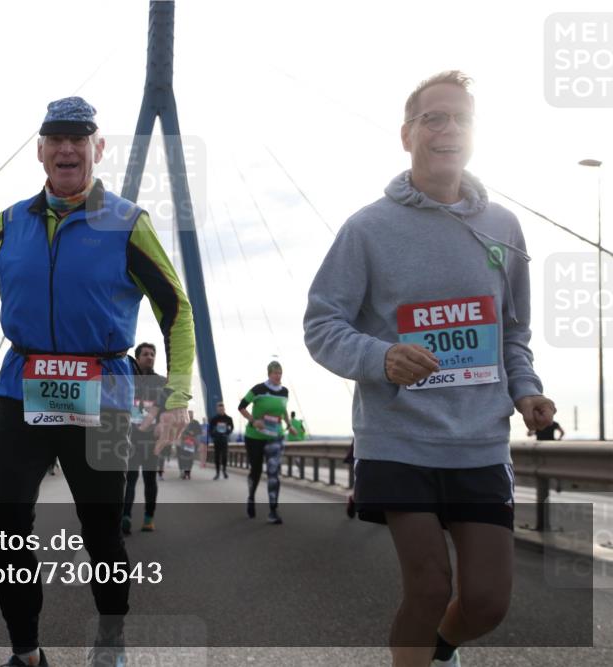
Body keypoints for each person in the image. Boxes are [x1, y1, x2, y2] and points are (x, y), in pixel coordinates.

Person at [304, 71, 556, 667]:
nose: (447, 130)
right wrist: (382, 356)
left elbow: (511, 334)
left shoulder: (503, 228)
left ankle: (440, 650)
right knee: (428, 587)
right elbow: (322, 325)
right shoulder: (367, 228)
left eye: (460, 119)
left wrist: (527, 393)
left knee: (488, 603)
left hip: (480, 442)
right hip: (399, 438)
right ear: (406, 134)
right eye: (432, 118)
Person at [0, 96, 195, 667]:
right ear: (40, 151)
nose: (66, 148)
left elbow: (176, 310)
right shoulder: (10, 221)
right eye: (55, 138)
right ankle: (26, 650)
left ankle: (111, 641)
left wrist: (178, 396)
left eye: (79, 137)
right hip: (22, 384)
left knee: (102, 532)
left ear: (98, 148)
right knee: (7, 524)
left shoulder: (127, 223)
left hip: (106, 388)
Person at [122, 342, 167, 535]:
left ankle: (149, 518)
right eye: (146, 354)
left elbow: (168, 409)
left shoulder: (161, 382)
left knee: (150, 479)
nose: (150, 357)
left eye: (153, 354)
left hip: (151, 439)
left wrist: (162, 424)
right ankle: (126, 517)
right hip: (129, 437)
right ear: (137, 357)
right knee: (130, 479)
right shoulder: (128, 378)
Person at [238, 361, 290, 524]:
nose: (278, 376)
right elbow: (241, 406)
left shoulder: (284, 392)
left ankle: (273, 511)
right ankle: (251, 497)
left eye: (280, 373)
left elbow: (283, 408)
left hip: (275, 436)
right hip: (255, 437)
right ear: (269, 374)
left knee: (274, 473)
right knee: (257, 470)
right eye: (275, 373)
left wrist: (288, 423)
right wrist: (253, 421)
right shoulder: (258, 389)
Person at [208, 402, 234, 479]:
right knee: (217, 457)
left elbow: (232, 427)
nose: (221, 411)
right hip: (217, 440)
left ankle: (224, 471)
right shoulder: (214, 419)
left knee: (224, 456)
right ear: (217, 410)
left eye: (222, 409)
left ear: (224, 409)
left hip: (224, 439)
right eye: (219, 409)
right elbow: (210, 429)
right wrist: (213, 435)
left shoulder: (229, 418)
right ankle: (217, 473)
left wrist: (227, 433)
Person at [177, 412, 201, 479]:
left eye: (191, 416)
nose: (190, 417)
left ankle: (188, 472)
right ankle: (182, 471)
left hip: (192, 443)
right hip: (182, 443)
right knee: (182, 458)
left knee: (190, 458)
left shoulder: (195, 423)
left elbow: (199, 432)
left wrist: (194, 433)